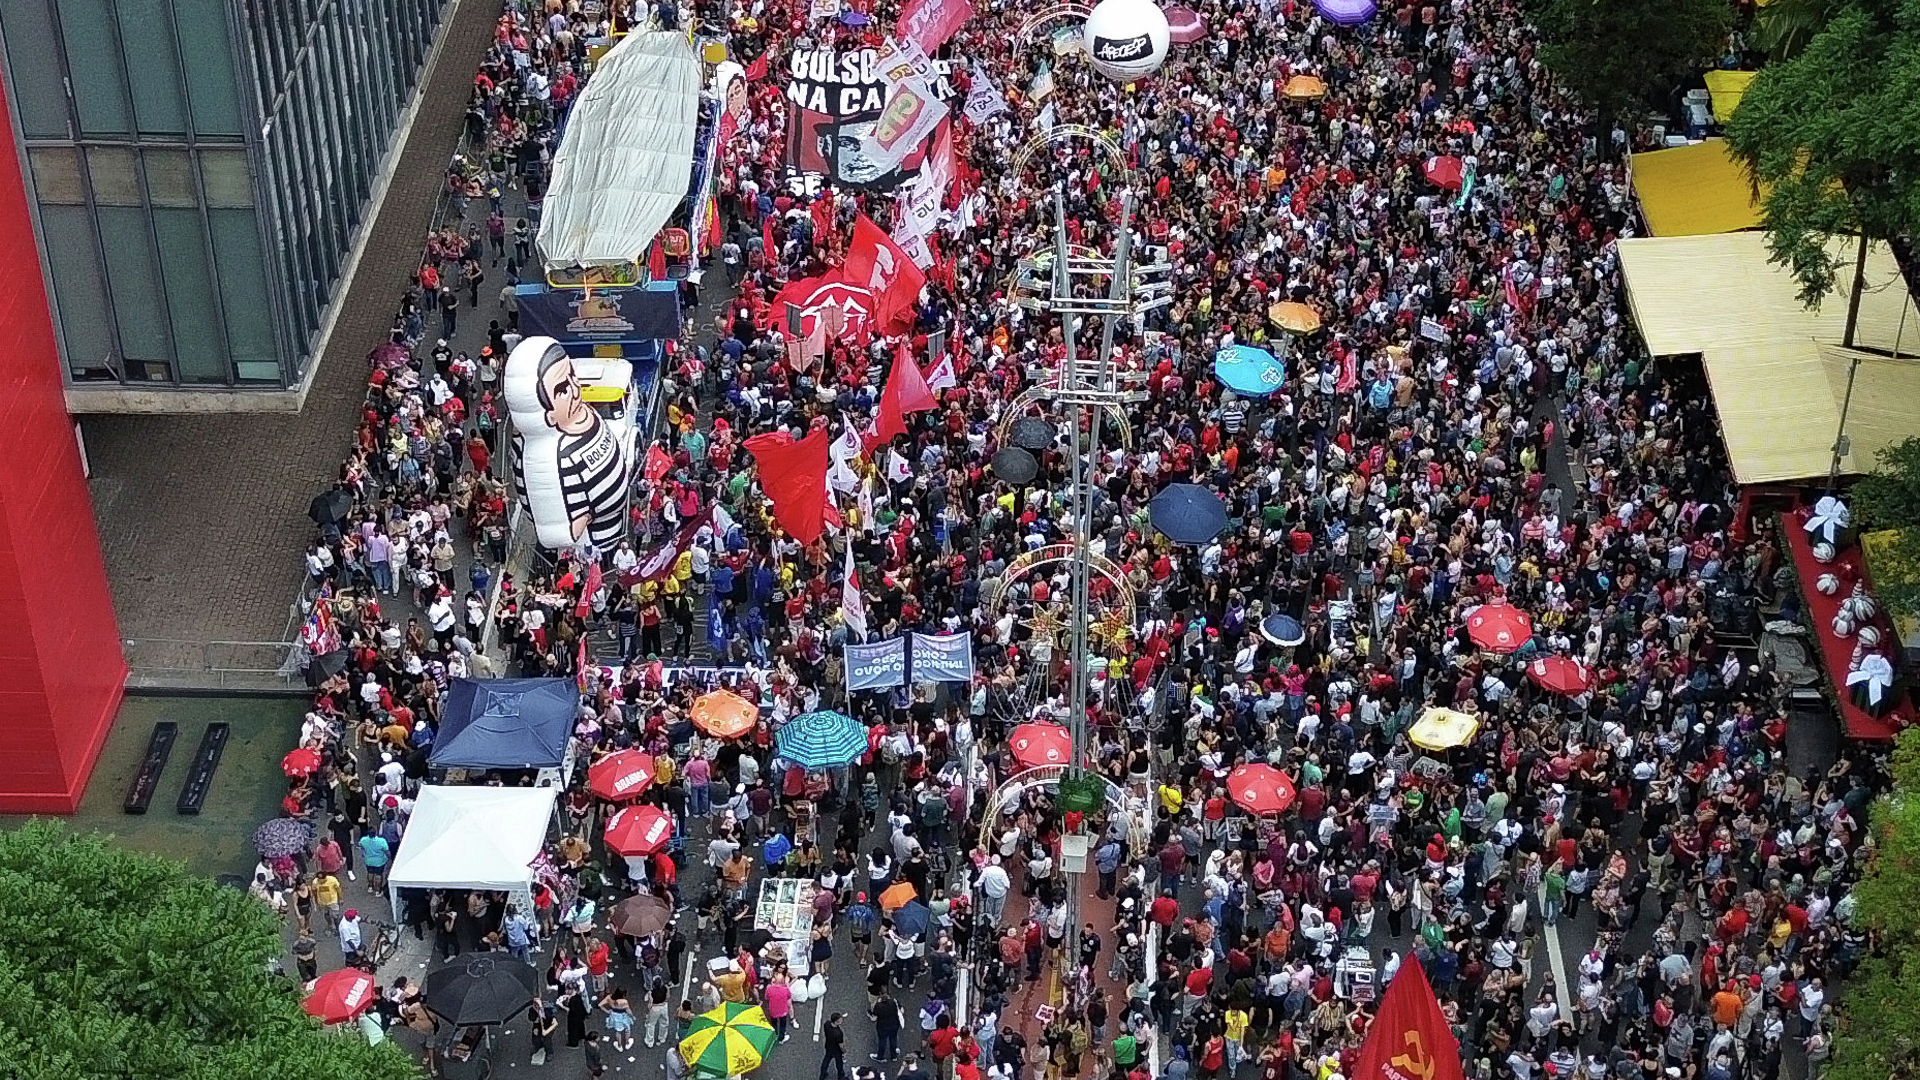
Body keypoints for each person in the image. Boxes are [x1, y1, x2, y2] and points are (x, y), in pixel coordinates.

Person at [822, 1011, 851, 1080]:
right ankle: (840, 1075)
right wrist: (844, 1051)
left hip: (828, 1046)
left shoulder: (827, 1024)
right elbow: (841, 1045)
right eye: (840, 1020)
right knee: (839, 1063)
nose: (841, 1021)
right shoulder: (838, 1033)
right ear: (836, 1022)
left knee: (826, 1060)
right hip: (836, 1050)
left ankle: (822, 1074)